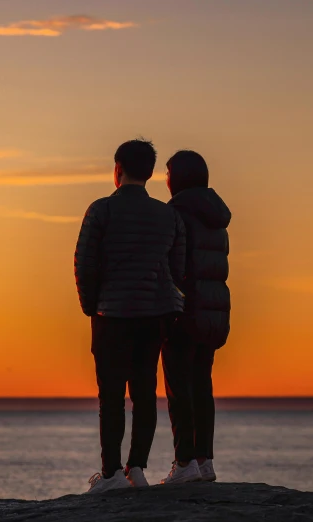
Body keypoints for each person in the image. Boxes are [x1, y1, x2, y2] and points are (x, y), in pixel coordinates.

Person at [75, 139, 186, 494]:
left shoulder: (101, 210)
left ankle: (109, 475)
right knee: (144, 393)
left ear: (117, 169)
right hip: (153, 314)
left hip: (112, 313)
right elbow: (177, 267)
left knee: (110, 396)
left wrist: (90, 305)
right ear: (151, 172)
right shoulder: (167, 215)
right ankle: (136, 469)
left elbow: (84, 264)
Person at [160, 150, 231, 485]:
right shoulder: (215, 217)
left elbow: (172, 265)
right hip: (215, 311)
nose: (165, 179)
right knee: (202, 385)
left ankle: (184, 461)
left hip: (185, 310)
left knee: (179, 387)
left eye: (168, 172)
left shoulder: (176, 213)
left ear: (179, 177)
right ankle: (205, 461)